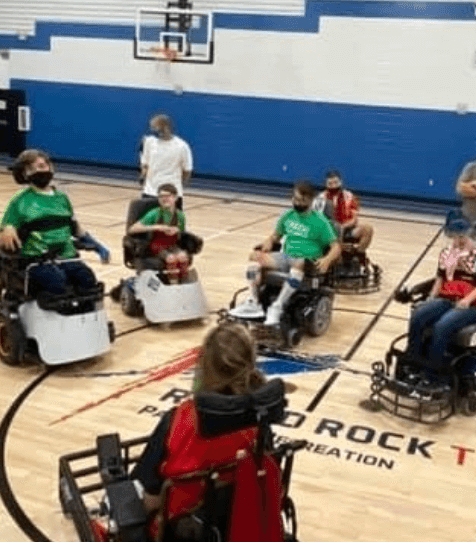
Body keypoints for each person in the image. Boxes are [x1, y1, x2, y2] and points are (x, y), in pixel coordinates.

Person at [133, 324, 268, 514]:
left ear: (204, 366)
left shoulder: (178, 419)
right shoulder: (260, 418)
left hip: (178, 528)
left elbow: (152, 498)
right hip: (236, 519)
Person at [230, 180, 341, 326]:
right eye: (295, 199)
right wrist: (269, 241)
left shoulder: (320, 221)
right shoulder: (288, 215)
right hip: (285, 257)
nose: (298, 203)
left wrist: (327, 259)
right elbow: (275, 236)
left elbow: (336, 247)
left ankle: (278, 306)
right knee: (254, 257)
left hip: (307, 261)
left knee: (299, 261)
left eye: (302, 200)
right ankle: (254, 302)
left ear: (310, 200)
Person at [0, 149, 102, 300]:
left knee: (87, 279)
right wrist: (8, 230)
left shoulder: (62, 198)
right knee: (56, 282)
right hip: (37, 260)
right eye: (35, 168)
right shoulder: (20, 200)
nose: (41, 170)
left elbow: (74, 226)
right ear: (26, 174)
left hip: (66, 256)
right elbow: (7, 228)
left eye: (43, 165)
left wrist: (96, 244)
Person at [404, 216, 476, 377]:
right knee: (418, 316)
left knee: (442, 326)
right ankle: (414, 363)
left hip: (470, 304)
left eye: (461, 237)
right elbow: (440, 278)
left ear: (468, 235)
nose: (457, 241)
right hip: (446, 298)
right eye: (454, 237)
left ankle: (433, 374)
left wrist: (467, 300)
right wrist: (431, 298)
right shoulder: (447, 253)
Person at [126, 182, 191, 283]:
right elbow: (132, 229)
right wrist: (157, 227)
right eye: (161, 196)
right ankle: (173, 283)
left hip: (172, 245)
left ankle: (183, 281)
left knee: (183, 257)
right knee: (171, 258)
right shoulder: (154, 214)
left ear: (175, 198)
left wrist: (177, 231)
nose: (164, 199)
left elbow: (181, 233)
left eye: (167, 196)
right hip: (157, 245)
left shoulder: (180, 216)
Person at [315, 170, 374, 256]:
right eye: (330, 183)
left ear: (340, 182)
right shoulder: (320, 198)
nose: (333, 186)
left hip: (347, 229)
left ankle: (357, 254)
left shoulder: (350, 196)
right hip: (328, 231)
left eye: (336, 182)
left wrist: (343, 227)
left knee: (367, 229)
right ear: (326, 184)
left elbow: (354, 219)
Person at [139, 114, 192, 207]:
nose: (152, 130)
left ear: (165, 126)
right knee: (148, 220)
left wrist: (177, 185)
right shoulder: (149, 143)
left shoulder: (182, 146)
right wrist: (143, 175)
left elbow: (187, 170)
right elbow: (145, 164)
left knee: (171, 221)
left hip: (171, 194)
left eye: (155, 127)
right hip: (150, 192)